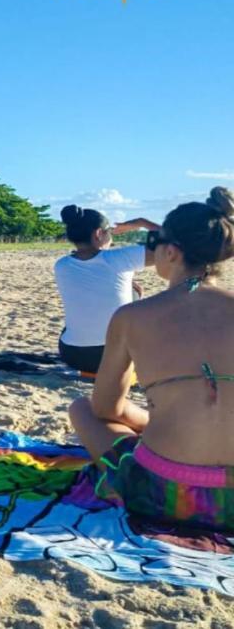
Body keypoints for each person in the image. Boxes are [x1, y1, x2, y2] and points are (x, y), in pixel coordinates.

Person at [69, 187, 234, 531]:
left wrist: (148, 421)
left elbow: (107, 410)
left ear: (171, 252)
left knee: (82, 409)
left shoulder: (132, 317)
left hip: (164, 493)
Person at [54, 205, 161, 374]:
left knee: (133, 290)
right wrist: (142, 223)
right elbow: (177, 247)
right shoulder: (120, 258)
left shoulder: (61, 265)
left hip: (73, 354)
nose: (111, 237)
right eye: (109, 232)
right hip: (117, 354)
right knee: (136, 298)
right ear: (98, 234)